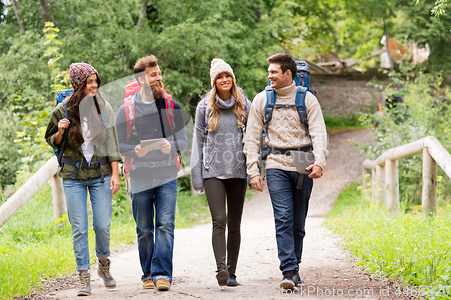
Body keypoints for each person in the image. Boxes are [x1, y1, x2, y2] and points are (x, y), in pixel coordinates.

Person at [243, 53, 328, 289]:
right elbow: (251, 139)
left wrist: (319, 161)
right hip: (275, 163)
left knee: (298, 222)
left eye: (273, 72)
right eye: (269, 71)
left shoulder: (308, 99)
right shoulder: (262, 99)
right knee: (283, 218)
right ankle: (288, 272)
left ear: (288, 74)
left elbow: (319, 133)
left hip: (304, 163)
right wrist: (254, 171)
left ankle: (295, 267)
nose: (269, 75)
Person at [45, 63, 121, 296]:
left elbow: (112, 143)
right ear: (79, 85)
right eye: (90, 82)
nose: (95, 85)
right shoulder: (63, 109)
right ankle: (83, 277)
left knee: (102, 225)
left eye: (96, 81)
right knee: (79, 228)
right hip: (73, 176)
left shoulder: (104, 107)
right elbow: (52, 141)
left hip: (100, 174)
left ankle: (104, 266)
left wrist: (116, 174)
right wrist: (60, 130)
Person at [115, 55, 187, 291]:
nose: (158, 78)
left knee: (165, 224)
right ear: (141, 78)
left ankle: (163, 274)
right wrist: (134, 150)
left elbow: (183, 142)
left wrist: (171, 146)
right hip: (139, 177)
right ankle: (147, 274)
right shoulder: (125, 111)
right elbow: (120, 146)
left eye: (159, 73)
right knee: (144, 228)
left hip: (167, 174)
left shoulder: (171, 106)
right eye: (153, 74)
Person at [191, 59, 252, 287]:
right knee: (219, 220)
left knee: (235, 223)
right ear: (214, 82)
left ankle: (232, 273)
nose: (224, 80)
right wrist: (197, 178)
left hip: (238, 170)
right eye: (219, 77)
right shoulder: (204, 108)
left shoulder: (245, 105)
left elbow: (255, 139)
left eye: (227, 75)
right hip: (212, 171)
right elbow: (197, 144)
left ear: (233, 79)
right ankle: (221, 269)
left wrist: (256, 171)